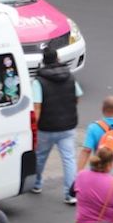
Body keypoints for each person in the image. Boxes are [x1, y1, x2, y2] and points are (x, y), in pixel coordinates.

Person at [31, 49, 83, 205]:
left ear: (43, 61)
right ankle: (70, 194)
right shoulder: (70, 77)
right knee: (69, 159)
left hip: (46, 128)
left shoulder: (38, 82)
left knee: (40, 158)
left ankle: (37, 183)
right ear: (58, 58)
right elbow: (77, 96)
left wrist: (34, 127)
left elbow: (37, 107)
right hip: (68, 126)